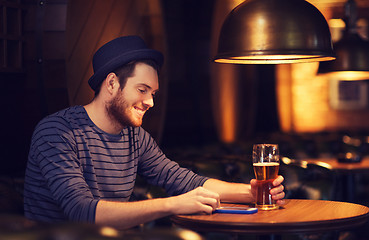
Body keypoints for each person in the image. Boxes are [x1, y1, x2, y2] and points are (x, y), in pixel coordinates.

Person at [23, 36, 285, 230]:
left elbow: (183, 180)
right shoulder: (57, 132)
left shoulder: (135, 137)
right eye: (142, 90)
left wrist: (251, 193)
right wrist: (173, 204)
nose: (150, 102)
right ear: (112, 83)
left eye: (153, 93)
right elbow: (81, 212)